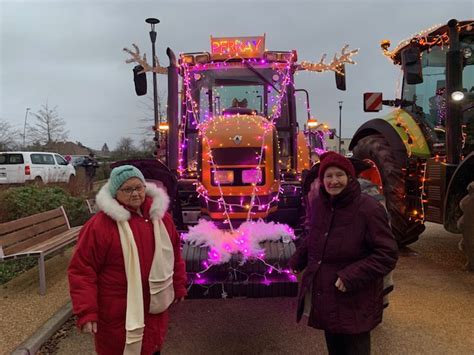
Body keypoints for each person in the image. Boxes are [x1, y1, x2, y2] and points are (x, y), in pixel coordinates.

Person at [68, 165, 187, 355]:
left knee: (151, 348)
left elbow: (174, 256)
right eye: (127, 189)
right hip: (117, 311)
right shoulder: (99, 226)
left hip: (153, 309)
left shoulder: (161, 218)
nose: (135, 194)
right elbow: (82, 270)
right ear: (115, 193)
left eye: (139, 187)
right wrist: (87, 311)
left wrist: (179, 285)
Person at [290, 151, 398, 355]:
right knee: (334, 348)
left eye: (339, 175)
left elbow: (387, 254)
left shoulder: (369, 209)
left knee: (355, 347)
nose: (333, 181)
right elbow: (316, 235)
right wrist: (300, 257)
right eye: (328, 176)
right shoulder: (321, 205)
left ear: (350, 177)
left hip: (354, 296)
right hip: (328, 294)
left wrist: (351, 276)